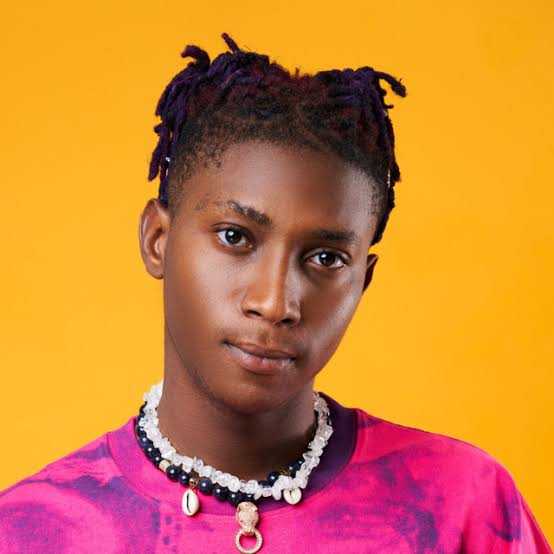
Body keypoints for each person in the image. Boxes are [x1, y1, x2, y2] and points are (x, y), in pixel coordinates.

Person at [0, 32, 551, 554]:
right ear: (158, 241)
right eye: (235, 237)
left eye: (326, 258)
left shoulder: (464, 506)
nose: (274, 303)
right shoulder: (28, 532)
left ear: (362, 281)